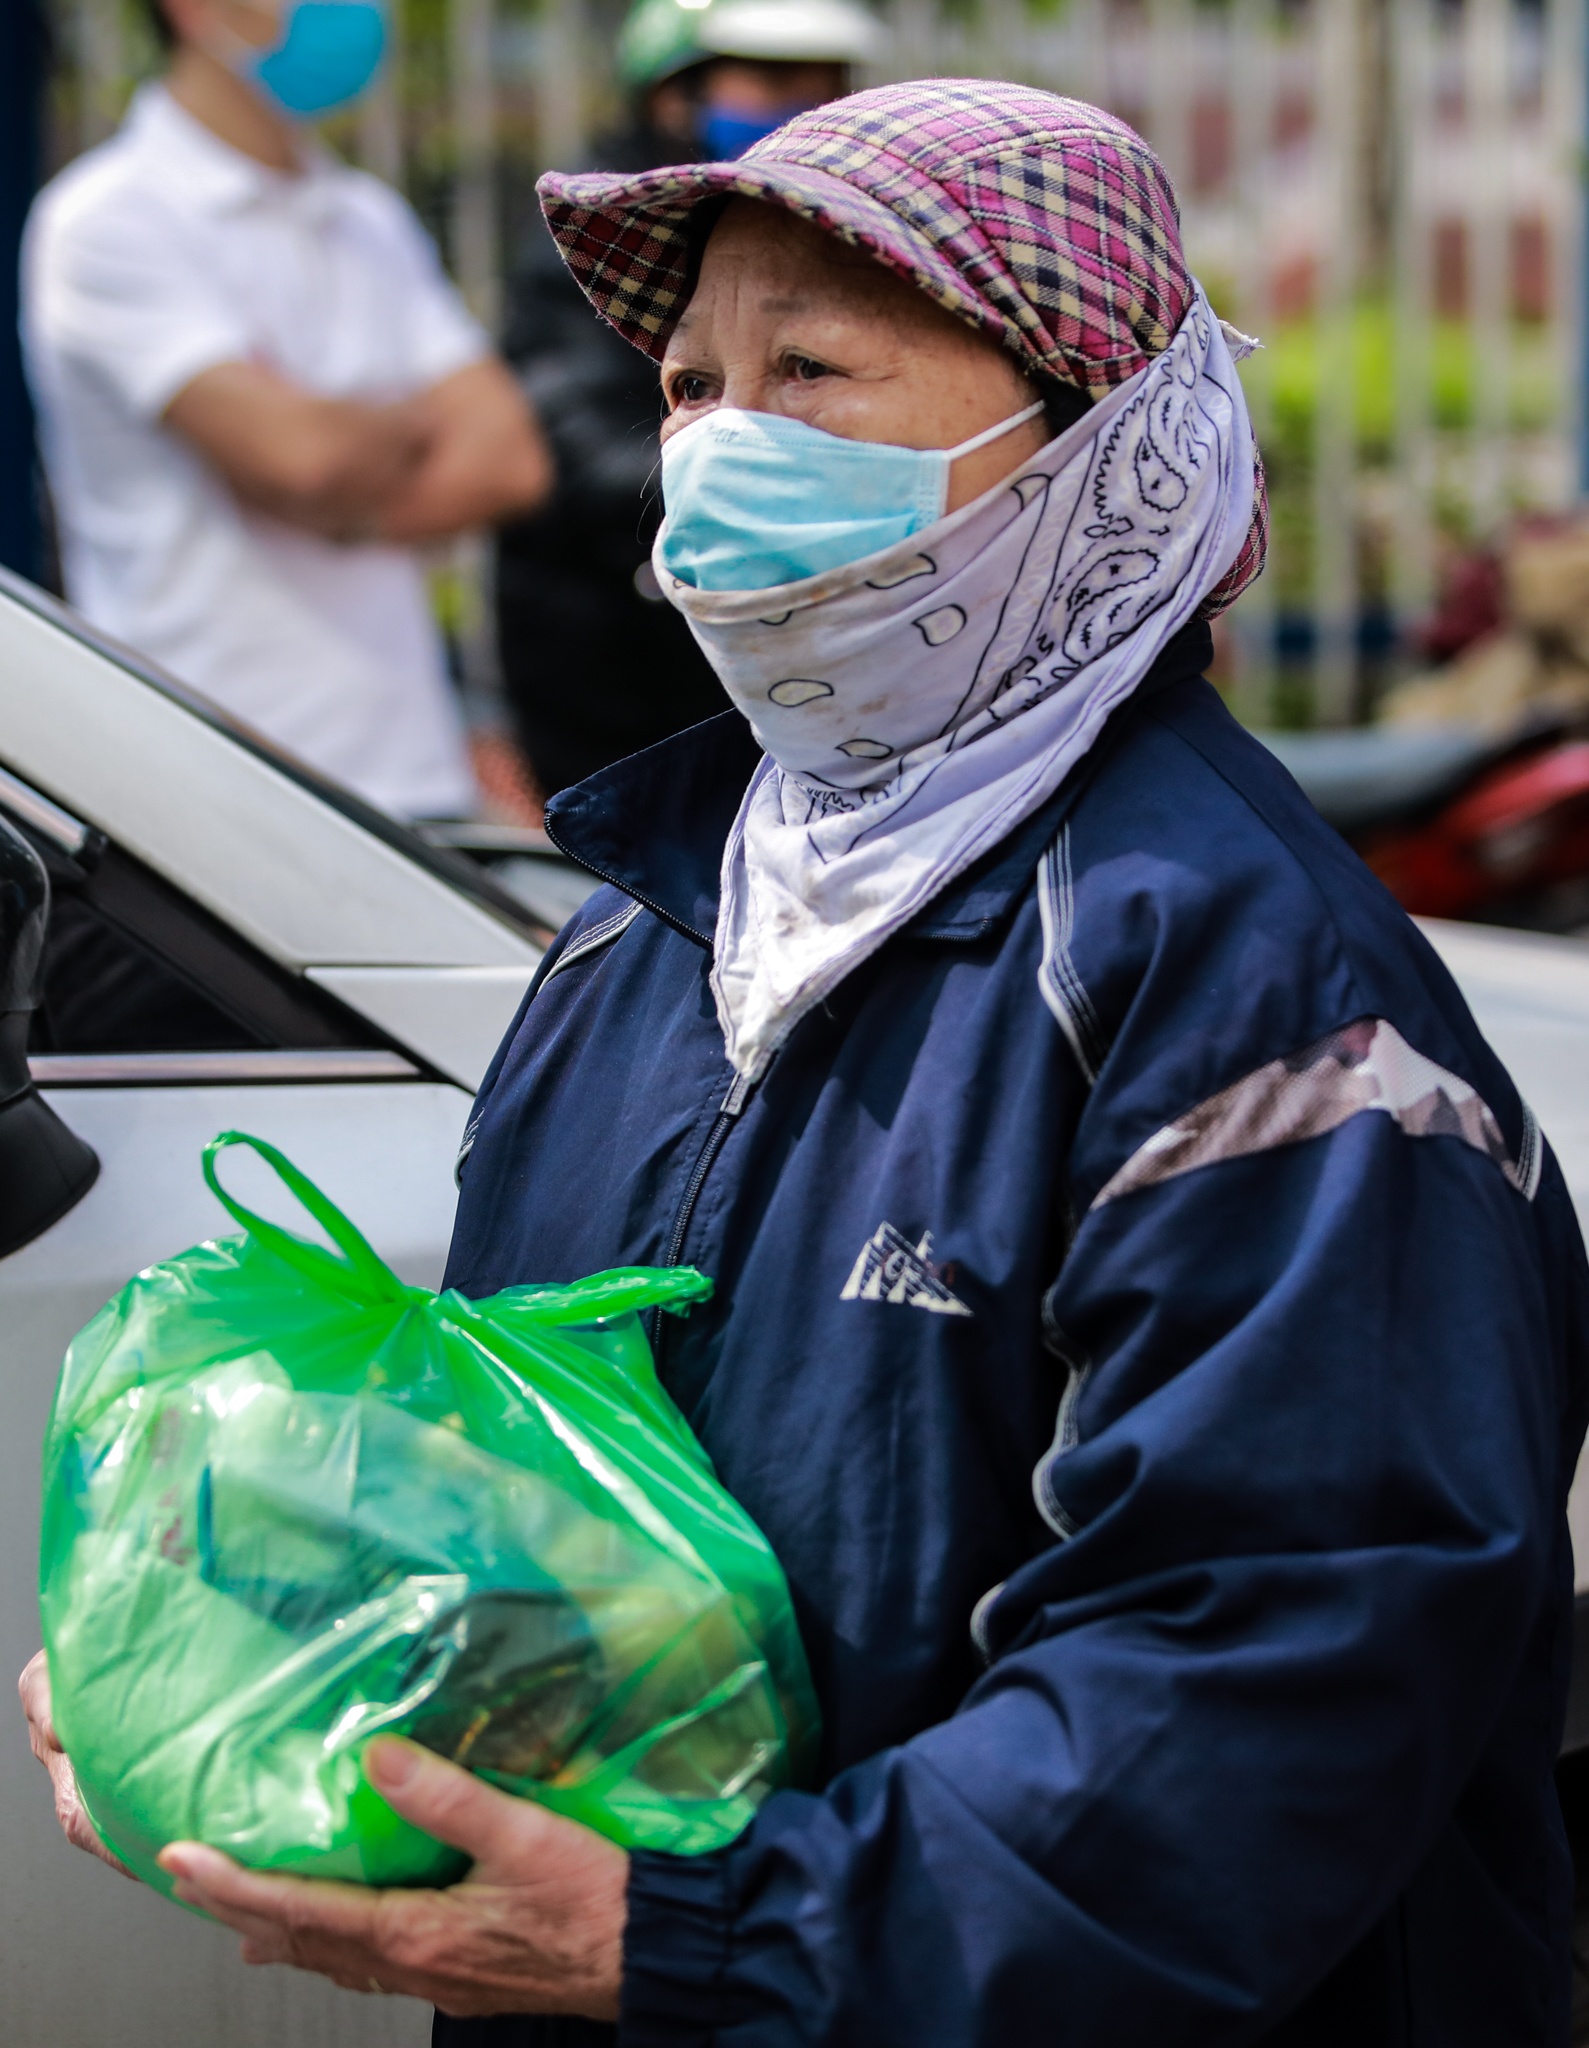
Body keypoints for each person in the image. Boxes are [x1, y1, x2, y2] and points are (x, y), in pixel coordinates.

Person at [22, 80, 1589, 2047]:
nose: (714, 446)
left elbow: (1265, 1667)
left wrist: (696, 1940)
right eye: (685, 384)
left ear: (1095, 434)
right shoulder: (641, 925)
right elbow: (538, 1503)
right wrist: (260, 1656)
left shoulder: (1251, 995)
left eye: (808, 369)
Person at [23, 0, 552, 820]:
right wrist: (409, 419)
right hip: (205, 803)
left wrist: (345, 492)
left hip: (412, 784)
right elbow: (305, 460)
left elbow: (509, 459)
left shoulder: (366, 216)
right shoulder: (106, 219)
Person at [494, 0, 880, 797]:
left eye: (825, 83)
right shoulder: (596, 237)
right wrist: (771, 477)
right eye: (771, 79)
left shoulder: (841, 226)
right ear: (674, 93)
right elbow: (579, 443)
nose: (803, 102)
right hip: (617, 678)